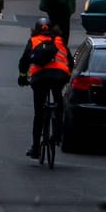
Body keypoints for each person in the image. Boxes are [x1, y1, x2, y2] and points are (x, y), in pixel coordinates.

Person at [18, 18, 71, 158]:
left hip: (40, 77)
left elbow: (24, 61)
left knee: (39, 113)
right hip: (59, 76)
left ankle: (36, 148)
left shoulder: (34, 40)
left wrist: (22, 77)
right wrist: (68, 77)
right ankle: (58, 134)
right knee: (58, 101)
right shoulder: (59, 40)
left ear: (36, 29)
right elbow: (70, 61)